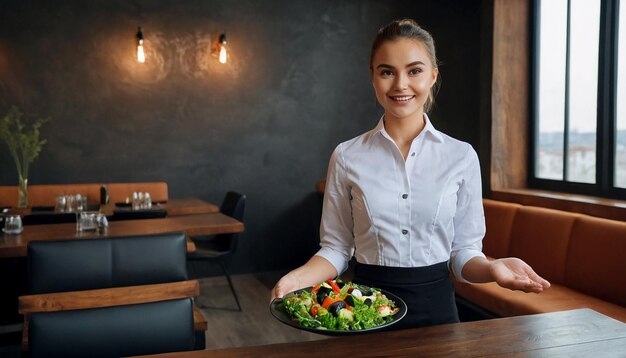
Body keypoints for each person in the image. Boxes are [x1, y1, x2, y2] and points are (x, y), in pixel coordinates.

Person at [271, 19, 550, 329]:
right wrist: (295, 278)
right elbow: (336, 249)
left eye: (414, 71)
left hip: (438, 314)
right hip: (366, 313)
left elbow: (463, 255)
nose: (400, 84)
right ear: (373, 78)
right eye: (387, 71)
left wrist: (493, 268)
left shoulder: (461, 156)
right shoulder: (347, 156)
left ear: (432, 75)